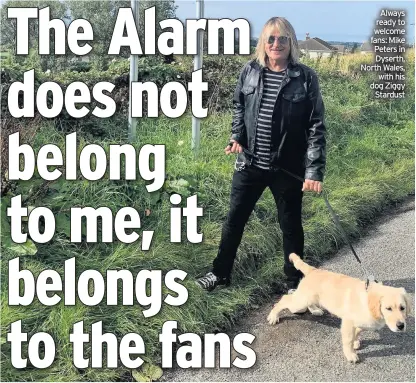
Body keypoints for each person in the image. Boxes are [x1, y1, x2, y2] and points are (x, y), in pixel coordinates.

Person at [196, 17, 326, 292]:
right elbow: (239, 107)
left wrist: (313, 171)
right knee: (234, 220)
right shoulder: (250, 71)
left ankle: (295, 284)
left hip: (287, 168)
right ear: (263, 43)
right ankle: (220, 274)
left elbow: (316, 126)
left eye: (282, 39)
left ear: (291, 42)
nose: (276, 44)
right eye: (271, 39)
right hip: (250, 163)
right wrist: (237, 137)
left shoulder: (305, 78)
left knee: (290, 226)